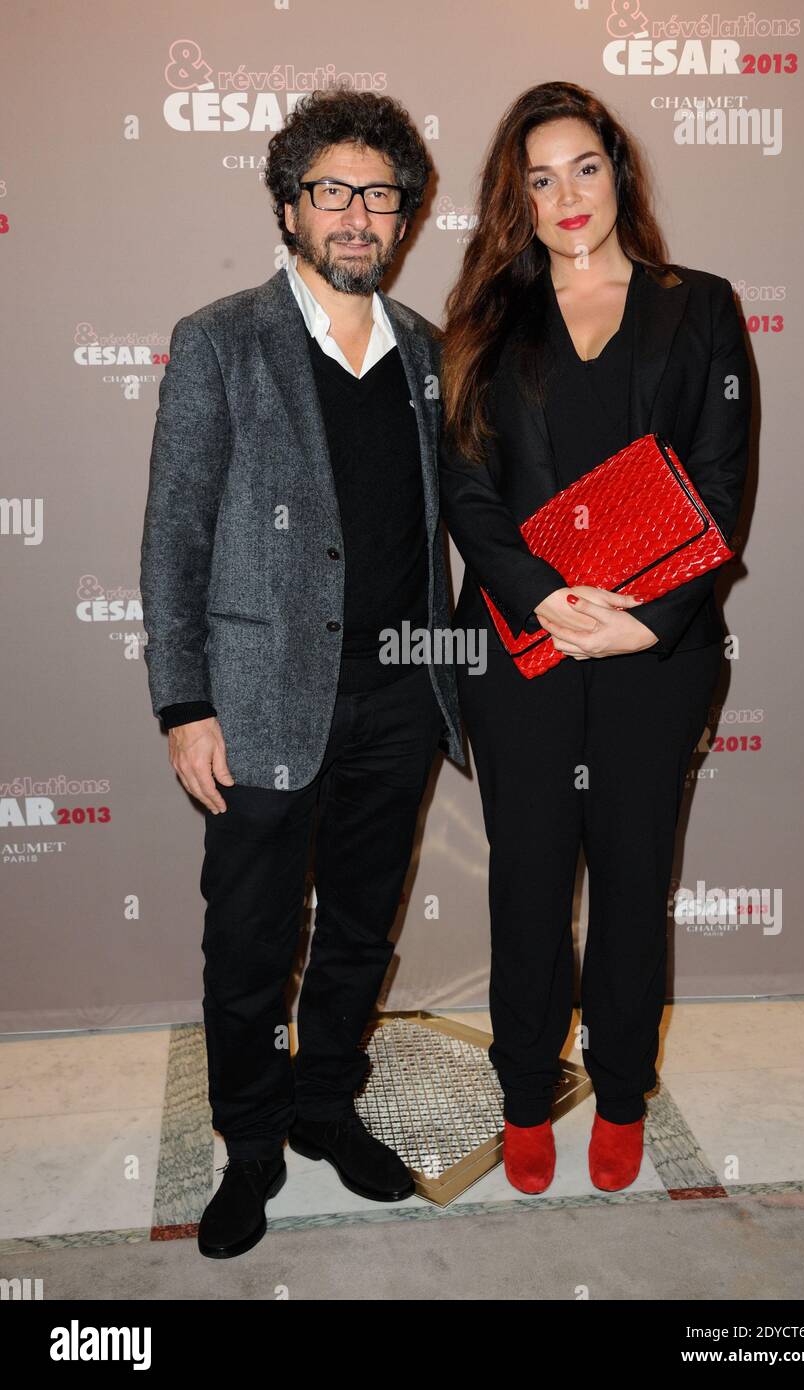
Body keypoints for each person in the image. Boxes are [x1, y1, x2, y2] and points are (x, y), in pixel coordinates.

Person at [139, 87, 464, 1259]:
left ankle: (327, 1106)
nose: (356, 213)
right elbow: (174, 533)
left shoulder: (429, 353)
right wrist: (185, 702)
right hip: (262, 696)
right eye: (331, 189)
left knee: (361, 927)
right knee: (249, 939)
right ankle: (250, 1144)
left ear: (406, 214)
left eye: (379, 193)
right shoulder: (221, 339)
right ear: (287, 205)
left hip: (397, 699)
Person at [438, 81, 751, 1195]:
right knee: (526, 878)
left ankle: (620, 1091)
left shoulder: (698, 305)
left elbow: (718, 485)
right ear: (512, 199)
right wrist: (538, 600)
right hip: (522, 654)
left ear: (617, 171)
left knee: (631, 878)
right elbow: (467, 492)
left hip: (652, 656)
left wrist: (646, 621)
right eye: (537, 177)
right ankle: (526, 1092)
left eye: (583, 166)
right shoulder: (483, 321)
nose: (565, 195)